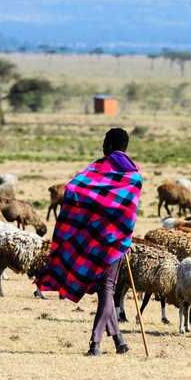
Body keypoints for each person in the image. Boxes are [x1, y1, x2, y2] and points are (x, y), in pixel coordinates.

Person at [35, 127, 142, 356]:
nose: (103, 147)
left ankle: (95, 344)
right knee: (107, 290)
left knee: (106, 291)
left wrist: (89, 218)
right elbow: (127, 211)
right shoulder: (135, 177)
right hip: (116, 242)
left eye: (104, 143)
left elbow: (73, 187)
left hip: (94, 240)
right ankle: (119, 339)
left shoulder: (99, 168)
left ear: (110, 147)